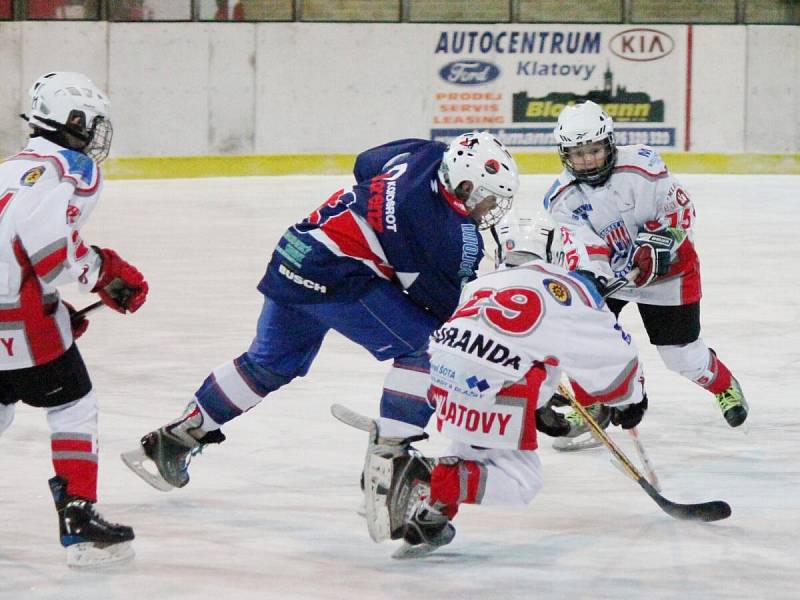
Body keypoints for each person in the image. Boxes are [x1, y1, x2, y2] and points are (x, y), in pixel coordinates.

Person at [121, 131, 520, 492]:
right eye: (486, 197)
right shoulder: (450, 236)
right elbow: (446, 315)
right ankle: (391, 460)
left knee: (268, 365)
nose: (488, 209)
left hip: (295, 251)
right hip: (335, 274)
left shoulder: (428, 153)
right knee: (430, 349)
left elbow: (366, 162)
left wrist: (382, 220)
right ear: (464, 185)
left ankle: (176, 438)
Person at [370, 206, 647, 557]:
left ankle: (432, 513)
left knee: (473, 450)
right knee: (521, 481)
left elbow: (507, 344)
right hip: (492, 390)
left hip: (442, 381)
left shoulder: (479, 285)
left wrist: (538, 407)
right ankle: (427, 477)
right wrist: (628, 400)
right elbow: (609, 357)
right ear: (555, 249)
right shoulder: (565, 286)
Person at [0, 72, 149, 567]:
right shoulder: (71, 167)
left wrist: (57, 311)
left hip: (11, 315)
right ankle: (79, 521)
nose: (93, 135)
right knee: (73, 404)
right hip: (21, 321)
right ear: (75, 120)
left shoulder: (9, 168)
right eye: (90, 123)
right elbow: (49, 256)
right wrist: (104, 273)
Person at [545, 100, 747, 441]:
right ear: (564, 154)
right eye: (577, 153)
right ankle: (592, 404)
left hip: (670, 274)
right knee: (582, 337)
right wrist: (590, 277)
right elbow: (584, 246)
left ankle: (723, 385)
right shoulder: (562, 198)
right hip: (616, 277)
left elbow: (681, 210)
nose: (588, 160)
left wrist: (658, 242)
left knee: (681, 356)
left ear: (609, 143)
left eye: (594, 149)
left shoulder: (643, 167)